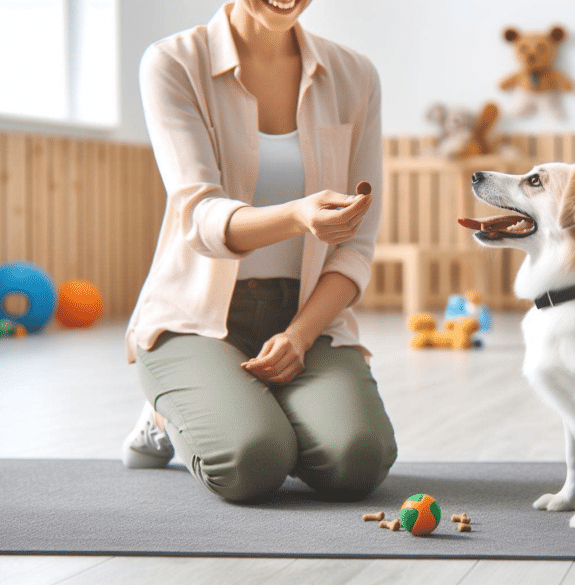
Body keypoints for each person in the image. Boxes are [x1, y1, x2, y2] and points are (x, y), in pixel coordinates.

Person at [121, 0, 397, 504]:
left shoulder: (355, 76)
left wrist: (299, 335)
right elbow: (201, 219)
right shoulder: (174, 62)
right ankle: (166, 415)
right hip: (195, 320)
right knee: (251, 463)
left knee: (358, 460)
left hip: (304, 317)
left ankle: (245, 404)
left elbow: (355, 244)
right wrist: (296, 215)